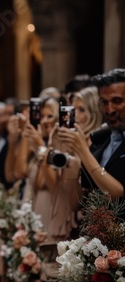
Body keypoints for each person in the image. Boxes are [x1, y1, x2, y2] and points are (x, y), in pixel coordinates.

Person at [59, 68, 125, 204]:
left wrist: (83, 151)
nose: (109, 110)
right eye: (104, 102)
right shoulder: (100, 140)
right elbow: (77, 204)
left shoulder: (87, 147)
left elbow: (118, 195)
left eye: (117, 101)